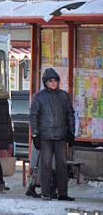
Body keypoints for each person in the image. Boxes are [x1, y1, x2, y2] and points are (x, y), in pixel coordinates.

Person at [30, 68, 75, 201]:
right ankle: (46, 192)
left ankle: (62, 193)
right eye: (50, 81)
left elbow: (70, 115)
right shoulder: (39, 96)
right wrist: (35, 135)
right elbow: (33, 116)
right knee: (46, 165)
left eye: (55, 80)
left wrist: (71, 132)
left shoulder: (64, 96)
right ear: (45, 82)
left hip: (61, 135)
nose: (53, 83)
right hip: (45, 136)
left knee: (62, 165)